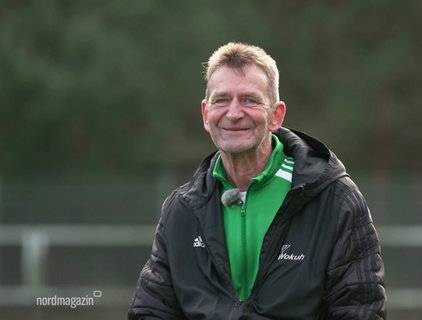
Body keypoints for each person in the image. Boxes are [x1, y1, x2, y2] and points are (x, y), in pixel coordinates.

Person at [128, 42, 386, 319]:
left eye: (249, 100)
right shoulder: (181, 210)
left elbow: (361, 309)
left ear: (276, 115)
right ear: (205, 114)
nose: (234, 113)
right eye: (222, 100)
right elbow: (152, 311)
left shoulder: (334, 199)